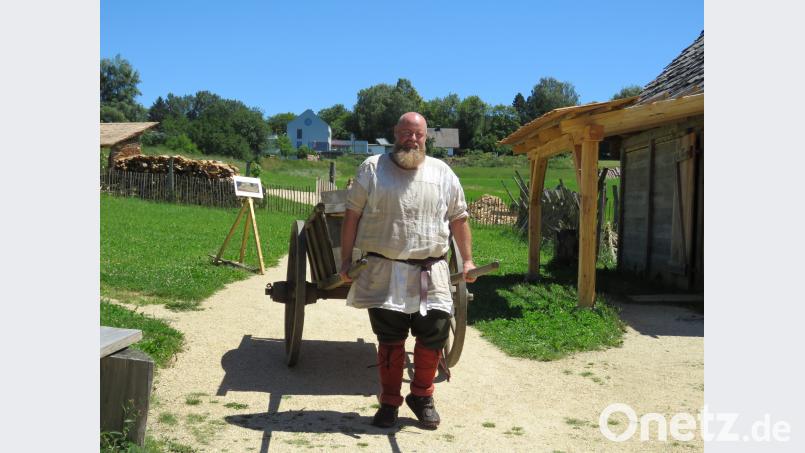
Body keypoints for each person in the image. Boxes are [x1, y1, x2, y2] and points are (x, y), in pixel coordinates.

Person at [339, 112, 476, 429]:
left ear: (426, 137)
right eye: (405, 133)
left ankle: (422, 396)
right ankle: (389, 402)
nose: (411, 139)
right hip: (384, 272)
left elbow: (459, 218)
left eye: (418, 134)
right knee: (390, 339)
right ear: (395, 134)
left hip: (432, 271)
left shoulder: (442, 172)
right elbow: (351, 216)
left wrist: (467, 260)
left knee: (433, 335)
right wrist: (346, 261)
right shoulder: (372, 169)